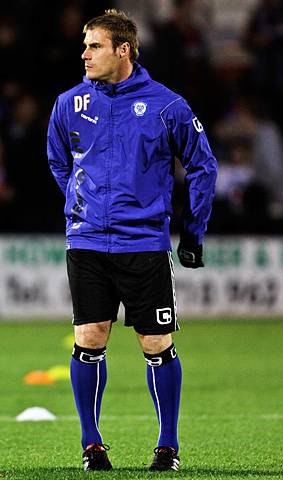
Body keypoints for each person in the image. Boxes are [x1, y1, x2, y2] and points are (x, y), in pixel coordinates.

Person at [47, 8, 217, 472]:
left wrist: (192, 228)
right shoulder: (69, 103)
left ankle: (167, 446)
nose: (84, 54)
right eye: (84, 44)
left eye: (94, 45)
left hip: (143, 244)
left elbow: (203, 165)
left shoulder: (166, 105)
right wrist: (81, 206)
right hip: (86, 243)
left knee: (155, 343)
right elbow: (60, 161)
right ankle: (91, 445)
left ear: (124, 50)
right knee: (89, 335)